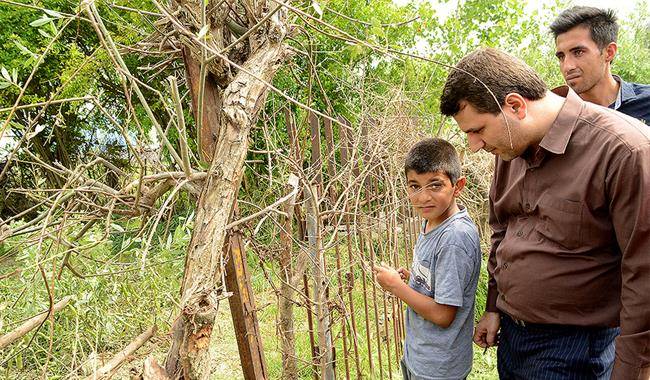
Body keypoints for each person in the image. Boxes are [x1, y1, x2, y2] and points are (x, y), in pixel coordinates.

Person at [439, 48, 650, 379]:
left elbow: (645, 270)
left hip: (576, 349)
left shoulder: (623, 149)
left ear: (515, 105)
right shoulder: (510, 146)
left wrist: (633, 370)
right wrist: (494, 306)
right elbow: (502, 230)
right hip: (513, 338)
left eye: (477, 130)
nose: (474, 145)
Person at [374, 138, 481, 380]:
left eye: (435, 185)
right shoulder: (433, 221)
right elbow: (442, 285)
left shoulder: (454, 237)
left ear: (458, 186)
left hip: (438, 367)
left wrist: (396, 286)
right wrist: (413, 279)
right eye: (414, 186)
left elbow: (444, 315)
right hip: (421, 355)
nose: (423, 198)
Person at [551, 6, 650, 124]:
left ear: (609, 52)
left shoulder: (646, 102)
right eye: (561, 57)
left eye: (578, 52)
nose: (567, 66)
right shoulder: (558, 117)